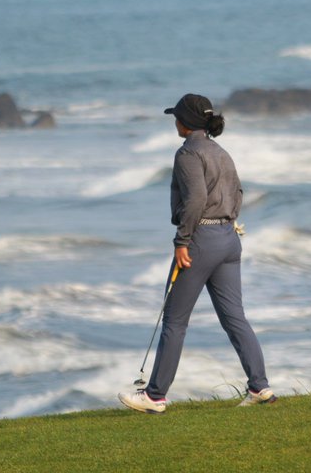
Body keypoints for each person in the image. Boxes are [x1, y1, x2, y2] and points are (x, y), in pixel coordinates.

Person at [119, 93, 276, 413]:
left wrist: (182, 241)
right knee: (235, 318)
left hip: (201, 241)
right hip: (229, 239)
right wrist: (226, 223)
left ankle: (154, 396)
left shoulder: (188, 153)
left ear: (185, 122)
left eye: (176, 116)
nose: (174, 121)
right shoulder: (221, 151)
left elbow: (194, 200)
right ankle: (260, 387)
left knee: (175, 321)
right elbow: (239, 192)